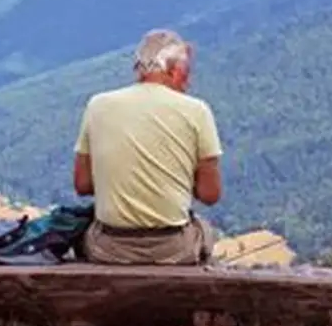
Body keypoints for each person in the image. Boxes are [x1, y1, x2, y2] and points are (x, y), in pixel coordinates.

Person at [73, 28, 222, 265]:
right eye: (187, 73)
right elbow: (210, 194)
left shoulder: (97, 105)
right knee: (207, 231)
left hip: (109, 247)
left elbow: (82, 185)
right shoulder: (197, 111)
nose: (189, 81)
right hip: (173, 247)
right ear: (173, 71)